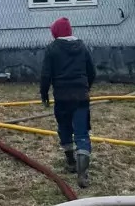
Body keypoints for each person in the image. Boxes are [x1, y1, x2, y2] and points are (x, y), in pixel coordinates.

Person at [40, 17, 96, 188]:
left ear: (55, 32)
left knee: (64, 127)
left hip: (62, 98)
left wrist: (44, 94)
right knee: (81, 133)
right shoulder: (82, 47)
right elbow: (91, 72)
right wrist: (86, 87)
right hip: (80, 97)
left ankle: (71, 161)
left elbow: (45, 75)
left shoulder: (52, 49)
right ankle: (82, 174)